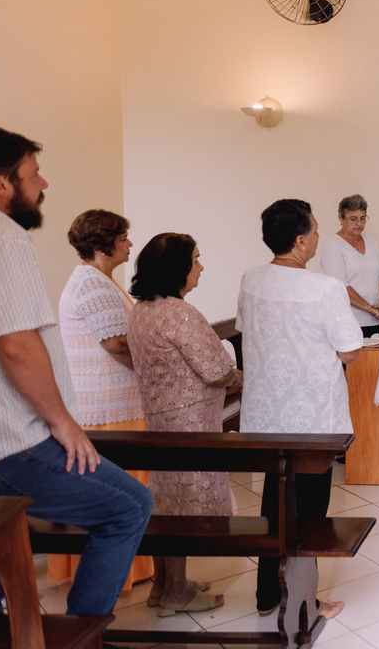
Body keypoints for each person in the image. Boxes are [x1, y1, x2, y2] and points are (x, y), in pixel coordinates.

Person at [0, 126, 152, 617]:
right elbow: (16, 346)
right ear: (0, 183)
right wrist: (62, 421)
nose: (44, 184)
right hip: (7, 441)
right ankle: (82, 633)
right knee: (129, 505)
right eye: (33, 174)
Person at [237, 199, 361, 620]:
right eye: (316, 230)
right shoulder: (323, 288)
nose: (319, 237)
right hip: (311, 417)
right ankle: (305, 601)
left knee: (274, 501)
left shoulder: (251, 279)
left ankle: (267, 594)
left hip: (264, 415)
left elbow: (244, 332)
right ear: (300, 240)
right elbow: (349, 351)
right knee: (309, 511)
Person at [129, 232, 239, 616]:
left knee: (167, 501)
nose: (201, 267)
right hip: (190, 424)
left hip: (162, 419)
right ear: (177, 268)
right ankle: (176, 590)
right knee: (186, 506)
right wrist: (236, 375)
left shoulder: (142, 309)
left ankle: (163, 584)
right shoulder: (178, 313)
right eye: (195, 260)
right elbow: (215, 369)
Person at [49, 209, 155, 591]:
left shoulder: (99, 279)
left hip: (114, 401)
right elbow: (116, 343)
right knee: (119, 491)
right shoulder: (91, 283)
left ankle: (135, 568)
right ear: (100, 244)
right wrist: (157, 363)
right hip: (105, 406)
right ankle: (118, 572)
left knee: (129, 487)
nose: (129, 244)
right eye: (123, 238)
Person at [319, 194, 379, 337]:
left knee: (373, 359)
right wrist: (372, 310)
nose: (359, 223)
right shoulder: (333, 246)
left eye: (363, 218)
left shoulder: (371, 242)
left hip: (375, 321)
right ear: (341, 218)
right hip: (349, 321)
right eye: (353, 219)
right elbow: (341, 288)